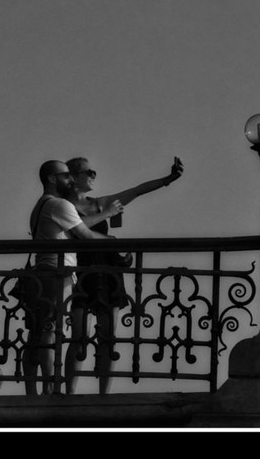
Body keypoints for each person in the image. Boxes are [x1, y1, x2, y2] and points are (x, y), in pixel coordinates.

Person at [63, 154, 184, 395]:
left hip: (108, 271)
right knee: (79, 337)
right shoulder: (66, 206)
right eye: (88, 172)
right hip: (83, 271)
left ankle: (103, 395)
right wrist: (108, 217)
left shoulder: (100, 202)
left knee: (108, 336)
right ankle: (69, 393)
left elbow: (137, 191)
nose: (93, 175)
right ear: (74, 178)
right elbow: (80, 231)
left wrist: (168, 179)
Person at [20, 159, 122, 396]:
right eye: (66, 175)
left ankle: (35, 390)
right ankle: (50, 388)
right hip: (57, 274)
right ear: (52, 179)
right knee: (49, 331)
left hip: (42, 272)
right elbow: (85, 235)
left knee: (37, 333)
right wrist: (114, 243)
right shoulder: (59, 204)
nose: (71, 179)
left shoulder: (41, 205)